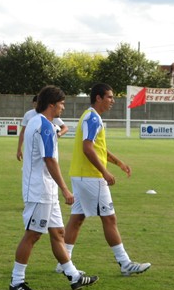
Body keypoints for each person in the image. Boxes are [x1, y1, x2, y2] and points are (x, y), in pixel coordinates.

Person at [10, 85, 99, 290]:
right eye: (61, 104)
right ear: (51, 104)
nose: (63, 108)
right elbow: (49, 159)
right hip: (39, 190)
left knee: (58, 233)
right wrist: (66, 190)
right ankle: (16, 282)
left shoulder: (36, 121)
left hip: (46, 190)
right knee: (32, 235)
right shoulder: (45, 126)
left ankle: (74, 276)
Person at [56, 83, 151, 276]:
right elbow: (87, 148)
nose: (112, 101)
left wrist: (118, 163)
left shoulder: (90, 116)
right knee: (109, 219)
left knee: (78, 218)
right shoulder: (93, 118)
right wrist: (105, 173)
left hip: (80, 174)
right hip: (91, 177)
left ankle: (63, 262)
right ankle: (125, 263)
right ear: (98, 98)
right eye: (109, 97)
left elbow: (98, 149)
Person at [17, 95, 68, 161]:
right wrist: (19, 149)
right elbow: (23, 132)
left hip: (46, 146)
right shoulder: (28, 114)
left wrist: (58, 134)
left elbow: (65, 128)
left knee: (48, 160)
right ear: (33, 103)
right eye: (36, 103)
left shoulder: (49, 114)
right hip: (31, 148)